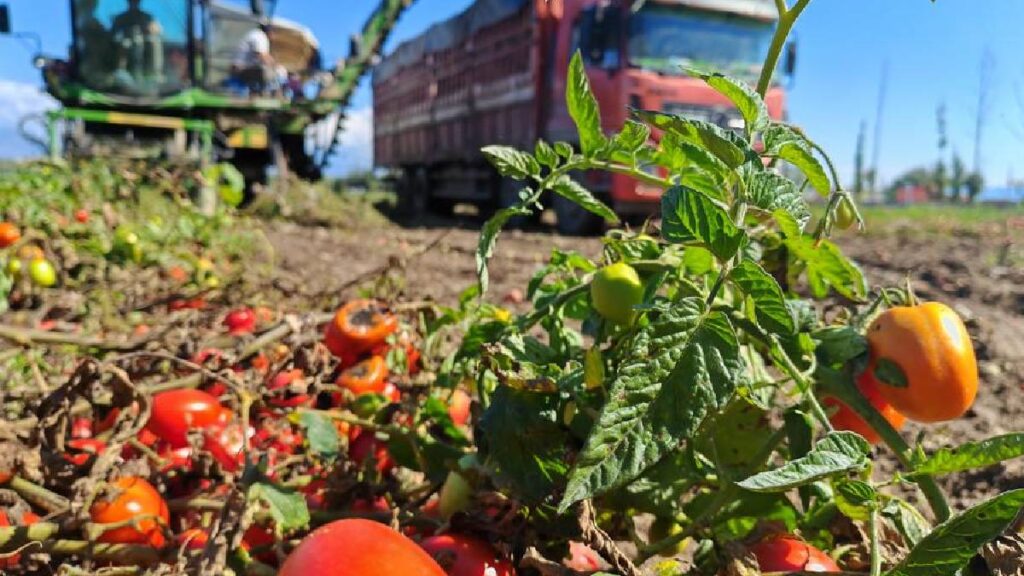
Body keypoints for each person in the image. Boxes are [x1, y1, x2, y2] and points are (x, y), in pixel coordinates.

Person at [232, 24, 279, 96]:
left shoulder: (256, 34)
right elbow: (262, 56)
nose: (274, 36)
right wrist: (276, 66)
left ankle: (259, 92)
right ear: (269, 32)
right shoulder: (260, 36)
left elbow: (264, 55)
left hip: (241, 68)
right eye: (273, 33)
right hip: (240, 68)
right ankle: (267, 94)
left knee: (270, 71)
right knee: (271, 73)